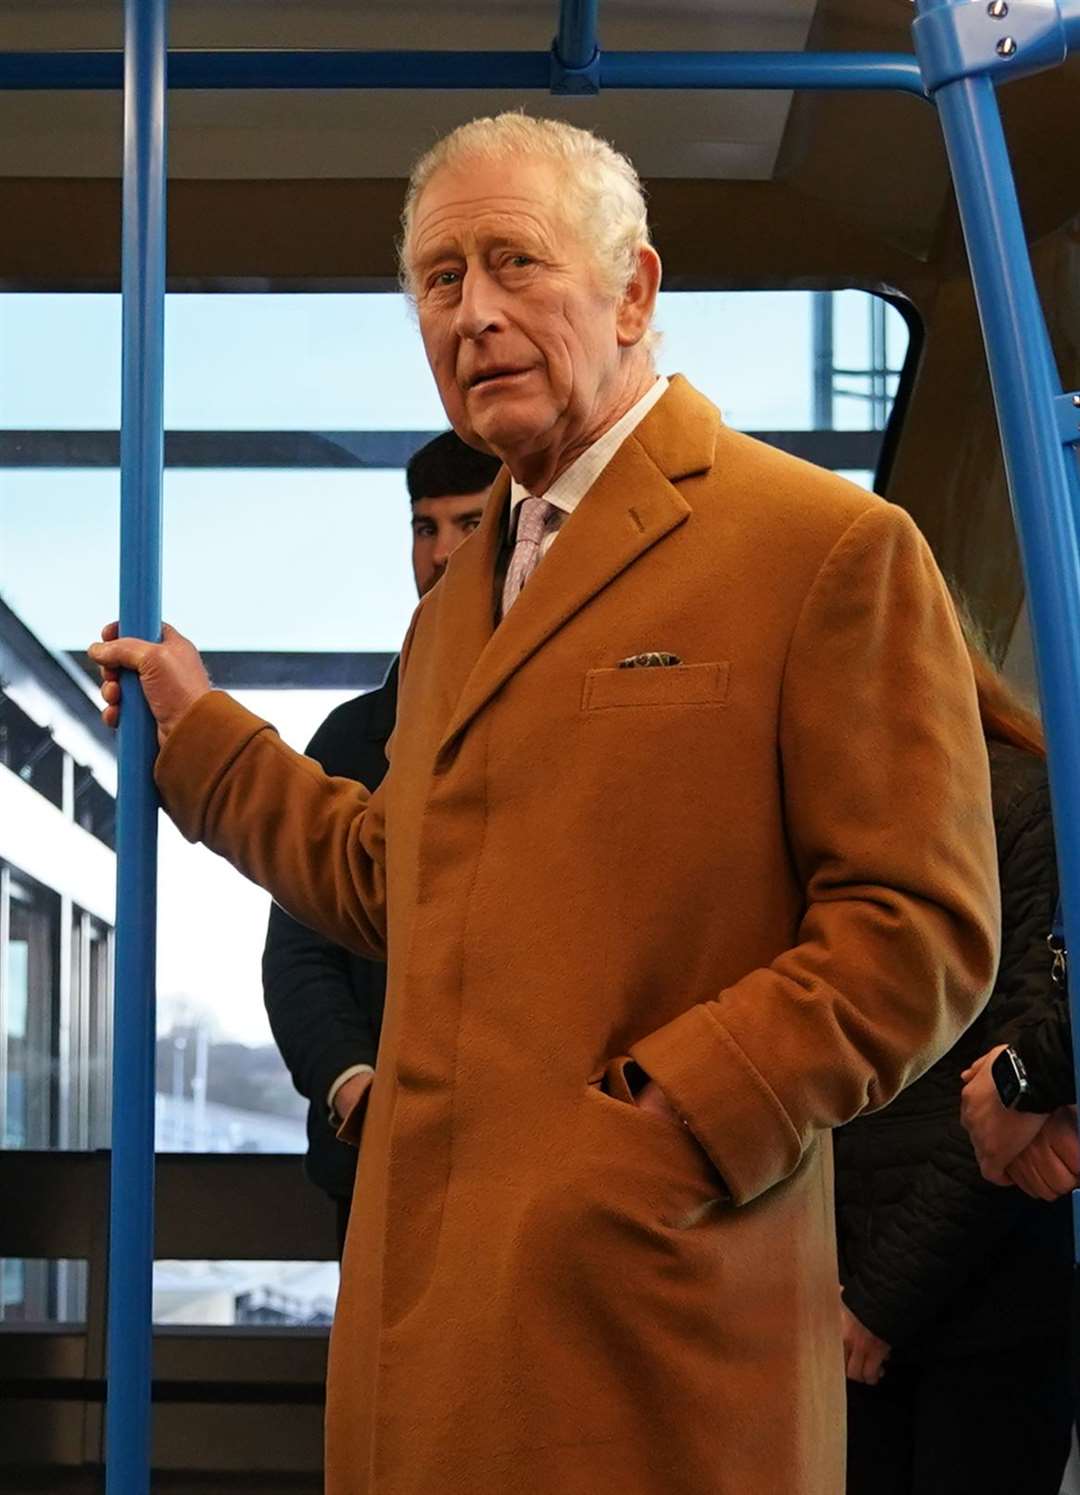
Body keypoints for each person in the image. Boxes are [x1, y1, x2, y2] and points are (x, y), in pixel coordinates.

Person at [89, 114, 1000, 1495]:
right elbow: (399, 873)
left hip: (648, 1308)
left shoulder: (822, 548)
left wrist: (661, 1129)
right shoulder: (460, 608)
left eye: (515, 261)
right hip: (434, 1311)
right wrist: (204, 739)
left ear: (635, 290)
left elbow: (919, 927)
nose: (475, 312)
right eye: (440, 281)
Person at [834, 624, 1073, 1495]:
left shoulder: (1014, 803)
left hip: (975, 1305)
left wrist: (878, 1299)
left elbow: (1009, 1097)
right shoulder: (826, 824)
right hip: (849, 1298)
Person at [262, 430, 499, 1258]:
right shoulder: (355, 736)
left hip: (533, 1162)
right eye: (424, 528)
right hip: (377, 1161)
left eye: (470, 524)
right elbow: (299, 950)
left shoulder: (580, 724)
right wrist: (356, 1089)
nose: (439, 555)